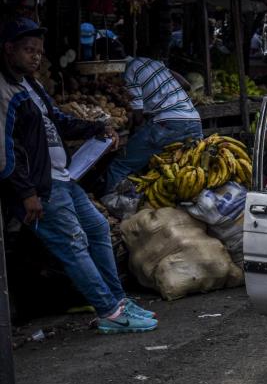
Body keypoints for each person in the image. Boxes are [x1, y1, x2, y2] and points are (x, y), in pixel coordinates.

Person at [0, 18, 157, 333]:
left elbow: (58, 120)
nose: (35, 57)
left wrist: (97, 128)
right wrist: (26, 192)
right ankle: (110, 313)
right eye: (28, 50)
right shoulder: (4, 90)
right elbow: (5, 148)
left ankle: (119, 301)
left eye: (38, 52)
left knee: (97, 229)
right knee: (72, 243)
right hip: (40, 186)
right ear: (8, 49)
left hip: (62, 177)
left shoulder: (32, 85)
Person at [105, 45, 203, 193]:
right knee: (187, 169)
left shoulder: (129, 71)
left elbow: (137, 117)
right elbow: (186, 84)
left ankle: (114, 205)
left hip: (168, 124)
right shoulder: (152, 62)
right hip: (194, 121)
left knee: (120, 166)